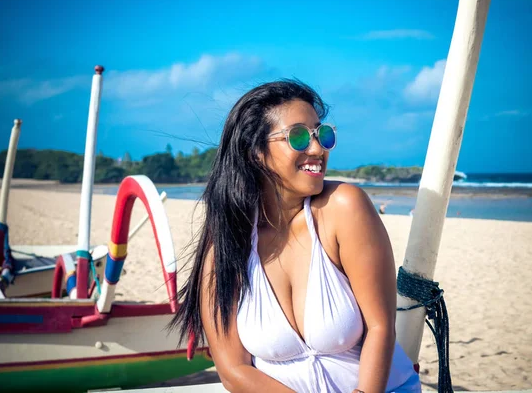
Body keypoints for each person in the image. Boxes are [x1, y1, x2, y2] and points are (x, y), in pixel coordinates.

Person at [170, 80, 421, 392]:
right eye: (299, 137)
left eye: (322, 134)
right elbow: (233, 369)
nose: (317, 149)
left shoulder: (344, 208)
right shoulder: (226, 245)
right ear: (255, 153)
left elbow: (380, 327)